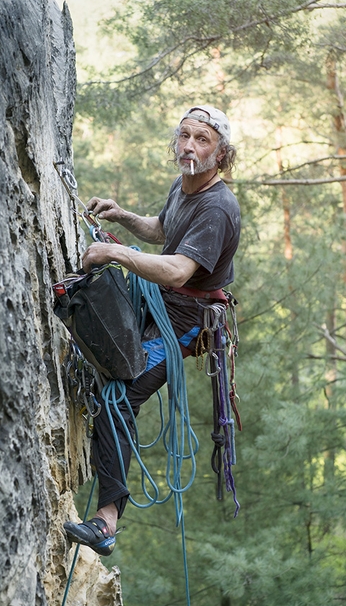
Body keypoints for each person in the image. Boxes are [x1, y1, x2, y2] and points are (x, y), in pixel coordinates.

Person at [64, 105, 241, 555]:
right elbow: (164, 230)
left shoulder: (219, 207)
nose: (189, 146)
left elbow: (181, 269)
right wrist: (122, 216)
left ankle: (106, 522)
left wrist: (116, 254)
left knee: (121, 395)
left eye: (202, 140)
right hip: (158, 303)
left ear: (221, 154)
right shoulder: (184, 186)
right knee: (100, 350)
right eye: (185, 135)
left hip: (184, 321)